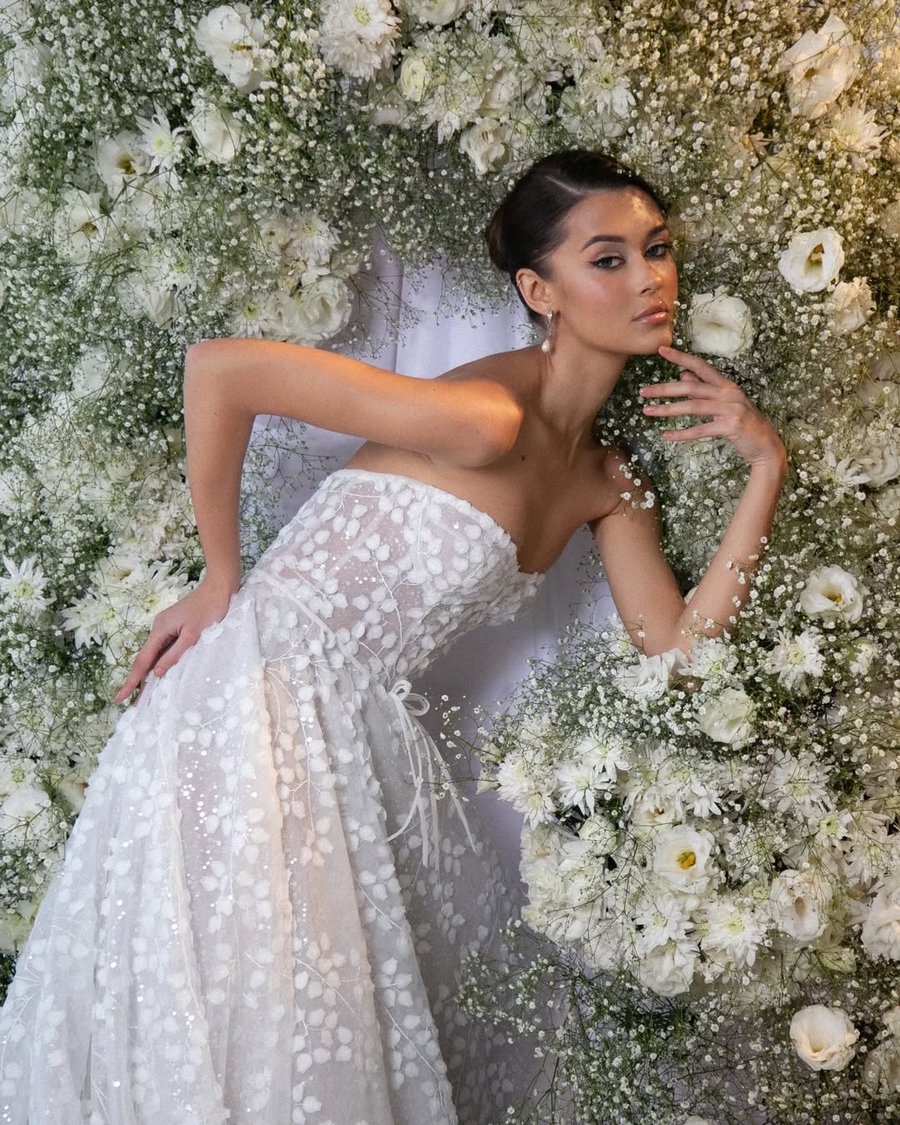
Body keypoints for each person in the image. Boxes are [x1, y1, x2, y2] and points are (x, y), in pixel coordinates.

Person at [0, 149, 786, 1124]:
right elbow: (222, 370)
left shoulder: (607, 480)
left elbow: (677, 655)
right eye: (608, 259)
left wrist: (765, 465)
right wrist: (221, 575)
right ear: (539, 291)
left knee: (301, 1037)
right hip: (254, 693)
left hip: (344, 733)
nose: (649, 278)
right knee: (242, 1015)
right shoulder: (486, 416)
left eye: (656, 249)